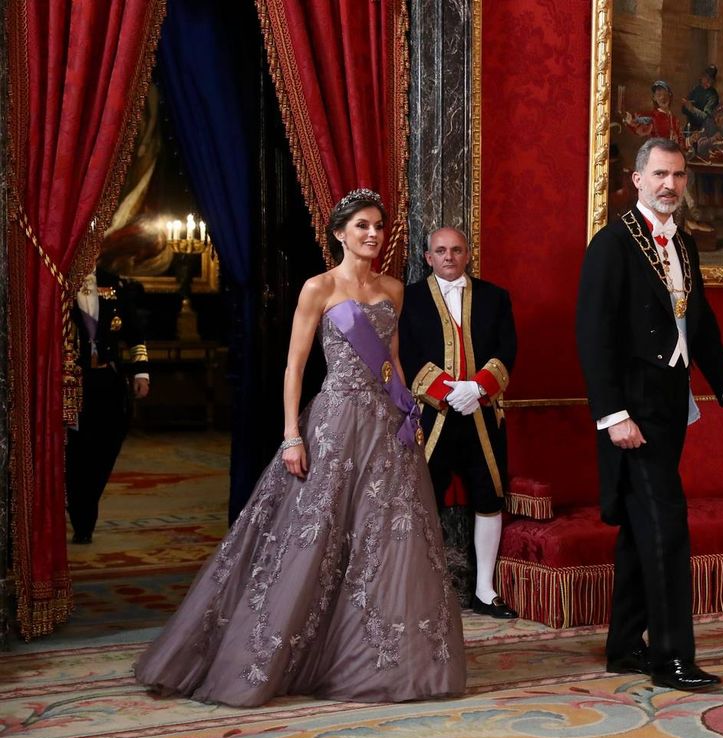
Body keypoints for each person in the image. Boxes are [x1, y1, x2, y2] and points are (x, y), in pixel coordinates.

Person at [134, 189, 466, 706]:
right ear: (338, 233)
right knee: (314, 540)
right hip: (334, 423)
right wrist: (292, 434)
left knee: (387, 541)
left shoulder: (394, 289)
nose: (372, 234)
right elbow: (295, 366)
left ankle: (383, 657)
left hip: (386, 428)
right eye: (361, 226)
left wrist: (410, 412)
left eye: (378, 226)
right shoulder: (319, 288)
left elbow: (393, 362)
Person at [575, 137, 723, 692]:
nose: (669, 184)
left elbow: (701, 324)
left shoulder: (686, 245)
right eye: (659, 174)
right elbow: (592, 335)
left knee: (639, 528)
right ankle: (672, 656)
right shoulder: (611, 244)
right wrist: (612, 414)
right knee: (668, 529)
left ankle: (626, 645)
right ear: (636, 178)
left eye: (678, 175)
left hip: (672, 404)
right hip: (632, 412)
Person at [399, 227, 518, 620]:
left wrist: (478, 388)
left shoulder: (495, 297)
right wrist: (446, 390)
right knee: (422, 500)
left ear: (468, 253)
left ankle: (485, 589)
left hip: (482, 416)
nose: (448, 256)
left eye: (456, 249)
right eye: (440, 250)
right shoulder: (408, 299)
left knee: (489, 496)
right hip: (429, 419)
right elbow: (404, 352)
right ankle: (420, 590)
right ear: (427, 256)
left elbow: (507, 349)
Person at [66, 265, 150, 544]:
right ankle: (82, 516)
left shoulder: (113, 283)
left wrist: (141, 372)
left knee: (107, 446)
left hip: (108, 380)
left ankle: (87, 502)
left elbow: (135, 333)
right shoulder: (59, 279)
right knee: (76, 451)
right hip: (72, 383)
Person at [693, 104, 723, 203]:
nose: (718, 119)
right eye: (716, 116)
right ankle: (708, 203)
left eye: (721, 116)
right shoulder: (708, 125)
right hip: (709, 163)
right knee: (706, 175)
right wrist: (712, 139)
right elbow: (700, 146)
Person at [624, 80, 684, 146]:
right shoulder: (651, 117)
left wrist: (690, 140)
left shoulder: (675, 120)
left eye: (665, 94)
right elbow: (639, 128)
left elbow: (681, 142)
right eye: (659, 95)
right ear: (654, 98)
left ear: (670, 95)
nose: (662, 97)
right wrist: (630, 122)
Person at [681, 64, 719, 132]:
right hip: (690, 127)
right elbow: (684, 110)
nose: (709, 84)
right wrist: (686, 105)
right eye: (707, 80)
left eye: (711, 81)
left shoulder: (713, 96)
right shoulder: (696, 89)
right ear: (702, 77)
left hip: (703, 131)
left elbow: (707, 118)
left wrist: (692, 109)